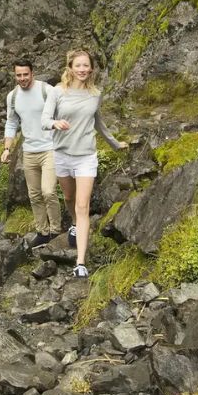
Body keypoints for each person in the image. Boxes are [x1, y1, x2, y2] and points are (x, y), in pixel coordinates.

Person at [41, 49, 128, 276]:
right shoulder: (58, 92)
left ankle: (80, 263)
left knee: (83, 206)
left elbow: (98, 122)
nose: (82, 69)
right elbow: (44, 120)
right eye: (77, 65)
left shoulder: (95, 94)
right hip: (62, 154)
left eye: (85, 66)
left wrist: (114, 143)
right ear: (70, 68)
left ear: (91, 69)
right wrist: (55, 123)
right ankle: (73, 223)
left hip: (86, 157)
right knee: (69, 198)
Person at [0, 58, 61, 247]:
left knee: (48, 191)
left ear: (32, 73)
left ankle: (56, 231)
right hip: (29, 152)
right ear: (15, 75)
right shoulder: (12, 97)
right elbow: (11, 123)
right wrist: (7, 148)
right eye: (18, 75)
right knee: (34, 195)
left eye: (25, 74)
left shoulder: (46, 91)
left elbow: (62, 114)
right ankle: (42, 232)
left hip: (50, 148)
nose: (22, 78)